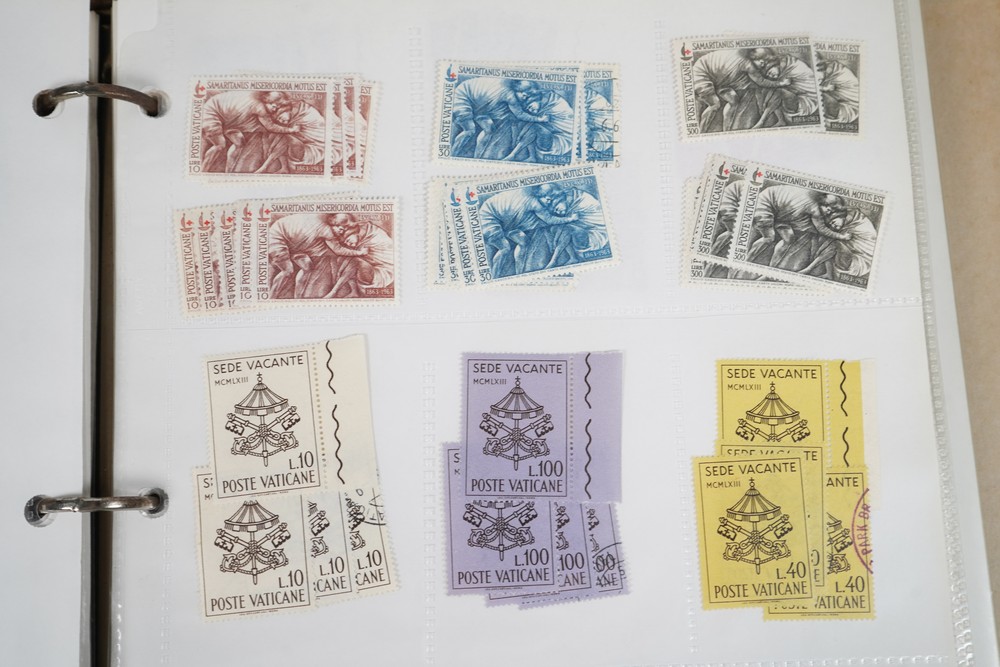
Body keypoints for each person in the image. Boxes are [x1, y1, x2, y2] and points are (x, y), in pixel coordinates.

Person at [746, 187, 853, 274]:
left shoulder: (811, 195)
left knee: (789, 239)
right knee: (769, 238)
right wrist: (842, 236)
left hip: (779, 214)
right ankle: (746, 260)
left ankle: (772, 268)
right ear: (827, 205)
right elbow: (822, 230)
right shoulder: (814, 209)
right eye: (829, 210)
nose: (828, 213)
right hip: (765, 204)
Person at [691, 48, 793, 133]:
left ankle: (726, 130)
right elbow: (761, 82)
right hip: (702, 72)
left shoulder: (740, 55)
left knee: (733, 100)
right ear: (760, 60)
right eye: (763, 63)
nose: (763, 65)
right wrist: (781, 83)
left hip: (718, 79)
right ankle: (701, 131)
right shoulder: (749, 65)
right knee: (714, 105)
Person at [201, 90, 303, 173]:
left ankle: (229, 172)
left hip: (227, 120)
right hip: (212, 112)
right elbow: (271, 127)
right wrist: (291, 130)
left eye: (277, 107)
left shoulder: (255, 98)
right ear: (268, 101)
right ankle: (203, 171)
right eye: (274, 106)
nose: (275, 109)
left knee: (239, 143)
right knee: (219, 145)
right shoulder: (260, 108)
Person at [320, 213, 394, 298]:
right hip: (368, 270)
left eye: (344, 230)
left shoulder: (372, 233)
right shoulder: (357, 236)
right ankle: (354, 291)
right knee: (346, 259)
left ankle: (333, 292)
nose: (346, 242)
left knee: (356, 261)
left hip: (382, 274)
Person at [816, 52, 860, 124]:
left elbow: (824, 88)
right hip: (841, 103)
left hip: (847, 109)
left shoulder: (836, 72)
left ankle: (831, 118)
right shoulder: (833, 68)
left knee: (819, 93)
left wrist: (822, 88)